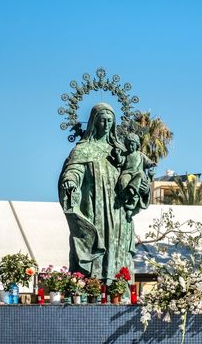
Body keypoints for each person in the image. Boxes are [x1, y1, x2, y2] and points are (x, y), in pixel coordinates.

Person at [58, 103, 150, 282]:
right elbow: (73, 170)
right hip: (95, 211)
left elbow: (135, 175)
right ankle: (92, 288)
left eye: (110, 120)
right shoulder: (83, 150)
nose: (106, 124)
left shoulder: (123, 153)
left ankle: (118, 289)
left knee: (119, 251)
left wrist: (144, 190)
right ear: (94, 122)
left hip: (119, 214)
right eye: (102, 120)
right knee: (95, 246)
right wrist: (70, 180)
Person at [113, 133, 156, 222]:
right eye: (128, 145)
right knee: (123, 180)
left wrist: (152, 164)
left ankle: (132, 201)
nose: (130, 146)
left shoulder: (140, 155)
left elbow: (148, 162)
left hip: (138, 173)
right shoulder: (125, 155)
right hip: (127, 173)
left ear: (137, 145)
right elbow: (120, 161)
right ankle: (126, 195)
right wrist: (117, 155)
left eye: (132, 144)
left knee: (139, 178)